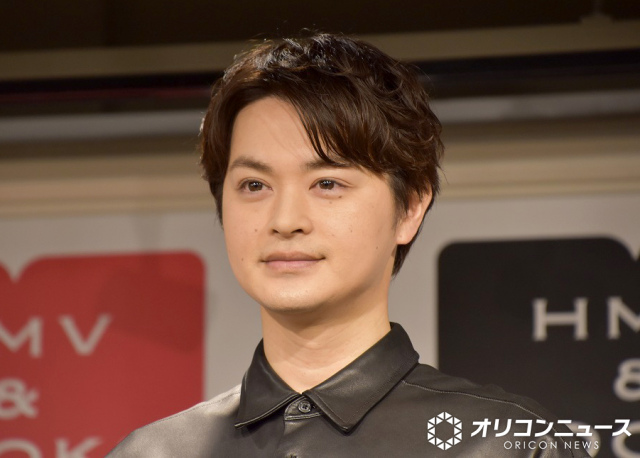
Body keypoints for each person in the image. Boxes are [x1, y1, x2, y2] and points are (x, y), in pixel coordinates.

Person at [108, 33, 589, 457]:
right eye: (254, 185)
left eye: (328, 184)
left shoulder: (506, 445)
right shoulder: (151, 453)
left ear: (410, 208)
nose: (285, 221)